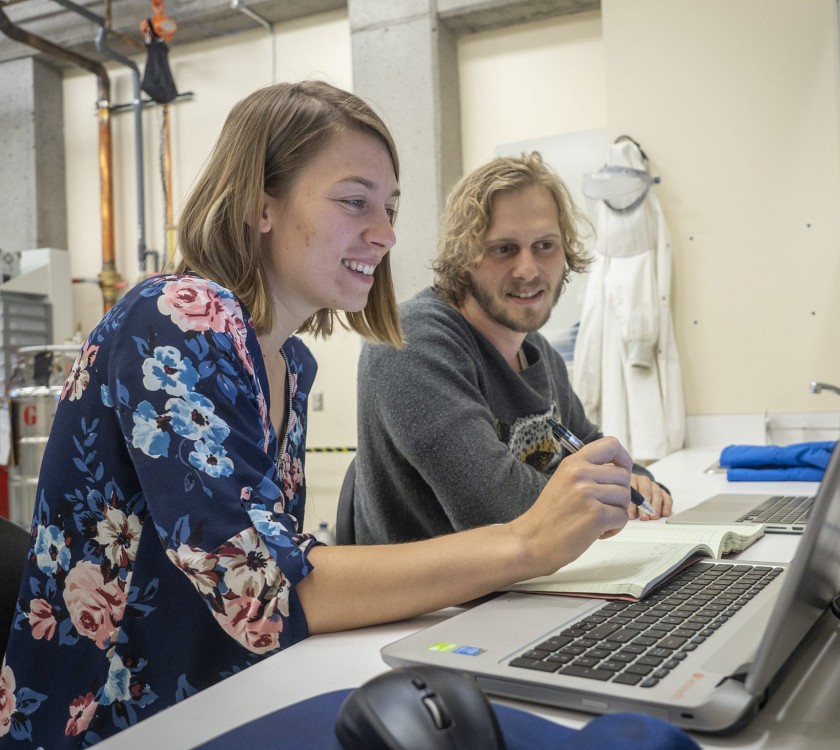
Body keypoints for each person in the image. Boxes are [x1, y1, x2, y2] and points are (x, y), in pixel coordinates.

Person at [0, 82, 637, 748]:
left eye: (390, 207)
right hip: (108, 727)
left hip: (223, 698)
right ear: (260, 204)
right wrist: (525, 543)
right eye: (355, 201)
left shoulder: (289, 364)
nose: (386, 234)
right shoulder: (178, 316)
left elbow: (276, 569)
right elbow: (264, 593)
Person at [352, 152, 672, 545]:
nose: (528, 270)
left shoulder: (537, 350)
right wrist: (604, 492)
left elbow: (591, 448)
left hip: (537, 576)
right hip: (452, 587)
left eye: (545, 245)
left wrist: (634, 478)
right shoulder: (411, 342)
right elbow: (497, 508)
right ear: (463, 257)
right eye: (503, 248)